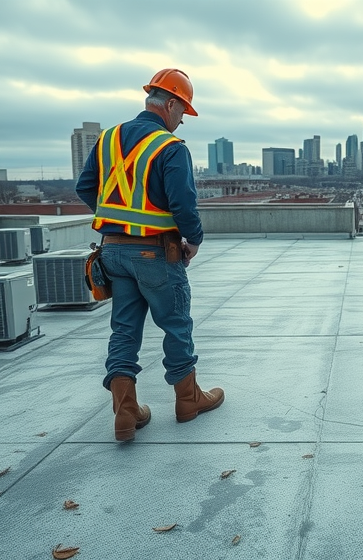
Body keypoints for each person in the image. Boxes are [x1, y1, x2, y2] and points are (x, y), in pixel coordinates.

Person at [76, 68, 223, 442]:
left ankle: (125, 413)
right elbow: (184, 203)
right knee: (175, 324)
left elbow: (85, 187)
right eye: (182, 113)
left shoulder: (109, 138)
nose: (180, 121)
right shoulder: (169, 148)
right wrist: (193, 240)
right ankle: (187, 400)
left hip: (112, 253)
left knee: (124, 329)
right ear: (170, 103)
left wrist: (116, 218)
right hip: (155, 253)